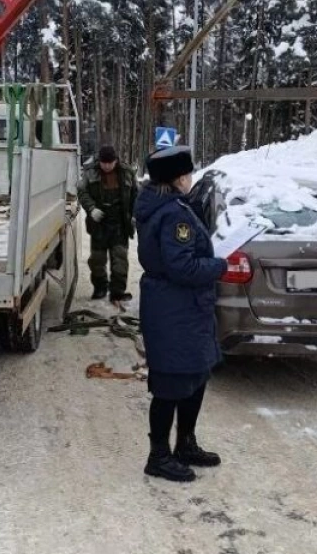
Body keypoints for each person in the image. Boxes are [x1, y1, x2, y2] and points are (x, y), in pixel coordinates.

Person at [134, 145, 228, 483]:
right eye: (188, 173)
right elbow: (181, 266)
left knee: (193, 376)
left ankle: (185, 443)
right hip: (174, 308)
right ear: (178, 178)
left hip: (182, 308)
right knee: (171, 384)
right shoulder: (173, 213)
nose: (191, 178)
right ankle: (158, 455)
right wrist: (219, 265)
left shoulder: (168, 207)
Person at [78, 145, 138, 303]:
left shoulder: (127, 173)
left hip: (119, 222)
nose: (106, 166)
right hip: (99, 222)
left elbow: (136, 196)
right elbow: (82, 191)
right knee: (97, 259)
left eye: (109, 163)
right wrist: (91, 209)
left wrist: (134, 215)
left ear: (115, 161)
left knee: (120, 258)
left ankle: (117, 291)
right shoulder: (90, 172)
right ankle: (100, 288)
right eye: (104, 163)